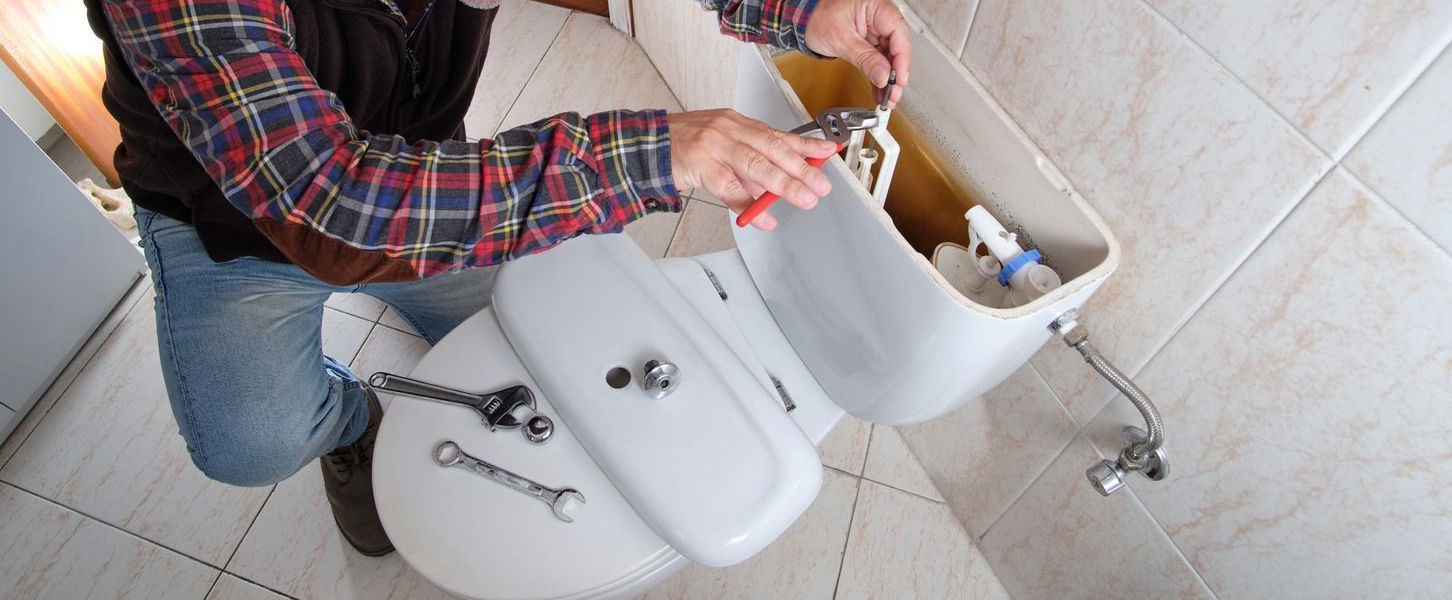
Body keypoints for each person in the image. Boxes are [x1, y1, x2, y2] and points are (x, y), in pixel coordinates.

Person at [85, 0, 911, 556]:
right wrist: (657, 150)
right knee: (250, 441)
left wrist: (800, 8)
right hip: (227, 227)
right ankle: (348, 423)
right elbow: (326, 201)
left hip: (426, 168)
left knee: (533, 341)